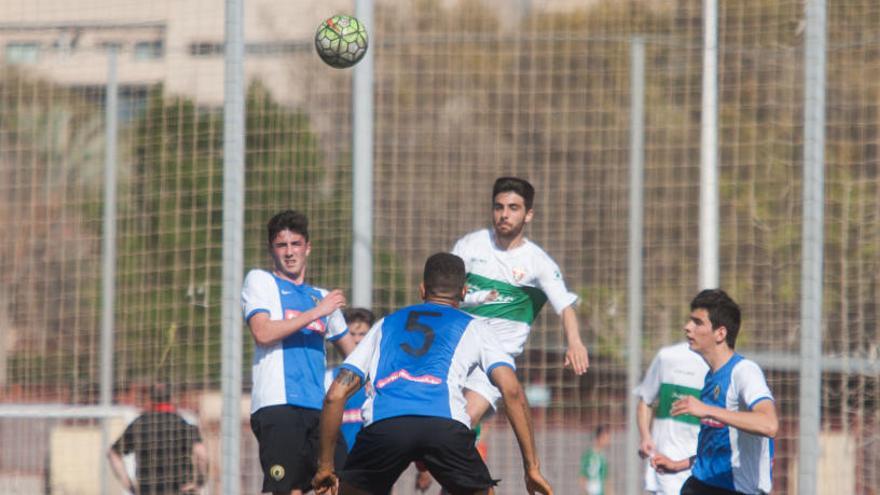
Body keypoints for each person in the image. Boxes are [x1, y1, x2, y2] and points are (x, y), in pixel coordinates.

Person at [312, 253, 553, 495]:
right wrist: (531, 467)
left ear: (422, 289)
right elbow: (511, 391)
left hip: (386, 425)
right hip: (444, 427)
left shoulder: (385, 324)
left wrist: (325, 467)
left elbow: (335, 394)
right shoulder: (476, 327)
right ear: (464, 292)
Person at [451, 176, 589, 426]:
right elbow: (445, 292)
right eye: (499, 207)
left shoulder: (539, 263)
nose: (504, 214)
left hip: (492, 363)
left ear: (528, 215)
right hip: (454, 352)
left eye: (513, 208)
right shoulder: (471, 245)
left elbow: (565, 307)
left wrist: (575, 343)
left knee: (460, 422)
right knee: (437, 438)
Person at [242, 209, 357, 495]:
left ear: (308, 247)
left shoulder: (321, 296)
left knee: (341, 483)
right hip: (278, 406)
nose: (290, 253)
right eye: (282, 245)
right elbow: (263, 332)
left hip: (319, 410)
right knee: (286, 490)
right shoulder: (261, 281)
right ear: (272, 249)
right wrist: (318, 311)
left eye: (295, 244)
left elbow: (356, 358)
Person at [650, 289, 778, 495]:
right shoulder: (711, 376)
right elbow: (722, 450)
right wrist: (678, 464)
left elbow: (769, 424)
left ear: (720, 333)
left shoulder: (744, 372)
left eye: (697, 322)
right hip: (703, 484)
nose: (687, 327)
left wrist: (708, 410)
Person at [634, 341, 708, 494]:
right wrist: (645, 437)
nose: (688, 326)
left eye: (698, 322)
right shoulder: (667, 356)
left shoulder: (722, 366)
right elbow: (645, 400)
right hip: (665, 467)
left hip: (701, 470)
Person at [107, 383, 208, 495]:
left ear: (150, 399)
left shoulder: (139, 425)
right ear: (172, 398)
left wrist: (129, 484)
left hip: (148, 490)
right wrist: (199, 482)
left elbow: (113, 453)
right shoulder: (183, 424)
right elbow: (202, 454)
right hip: (180, 490)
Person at [325, 307, 375, 452]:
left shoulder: (380, 376)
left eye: (363, 334)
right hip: (339, 456)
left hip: (372, 456)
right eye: (351, 334)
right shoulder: (329, 378)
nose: (357, 339)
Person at [579, 425, 611, 495]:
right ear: (599, 438)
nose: (608, 441)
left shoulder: (603, 457)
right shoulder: (588, 456)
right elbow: (582, 479)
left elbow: (606, 480)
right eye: (605, 438)